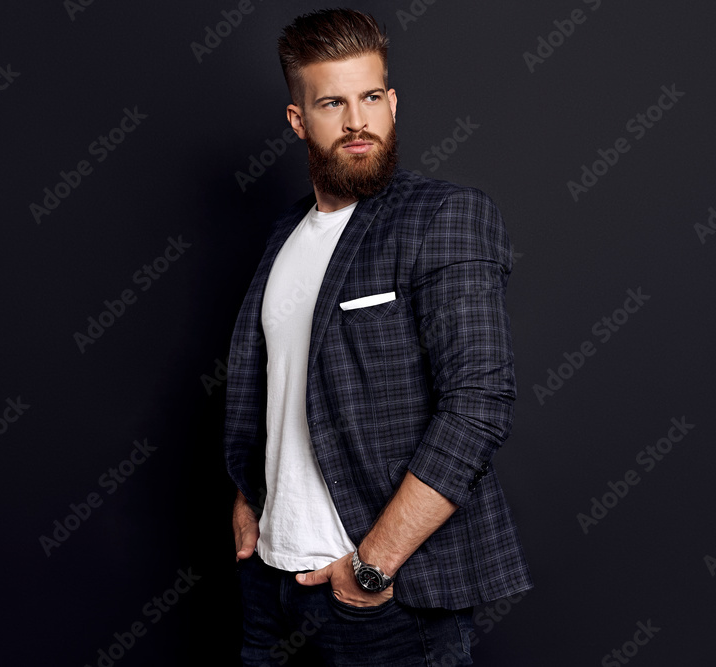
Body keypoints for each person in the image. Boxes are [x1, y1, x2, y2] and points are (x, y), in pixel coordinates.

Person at [224, 8, 532, 665]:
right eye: (332, 102)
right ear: (298, 120)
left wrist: (373, 564)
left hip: (383, 599)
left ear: (392, 103)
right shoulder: (283, 237)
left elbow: (477, 404)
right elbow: (279, 388)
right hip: (269, 586)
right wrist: (250, 494)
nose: (357, 120)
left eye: (370, 98)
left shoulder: (444, 216)